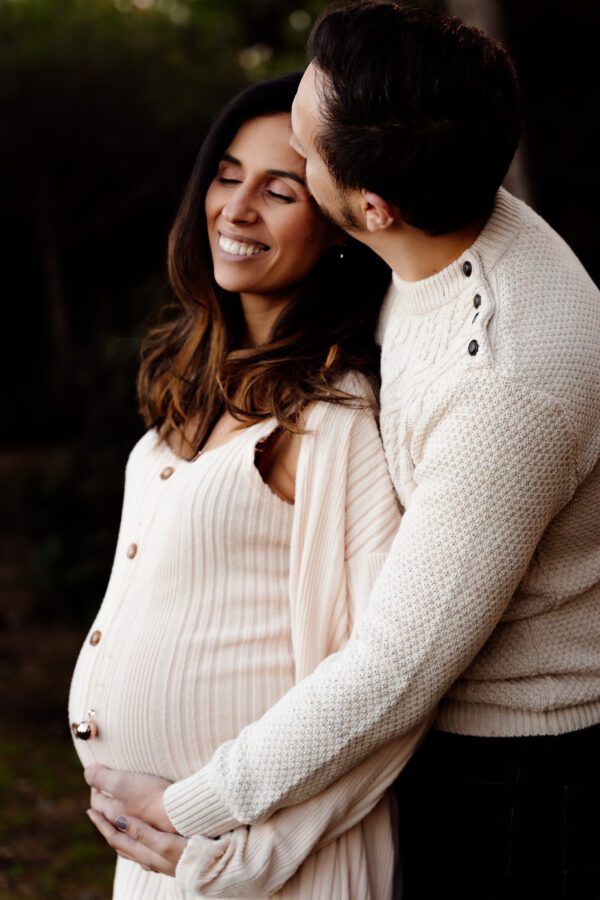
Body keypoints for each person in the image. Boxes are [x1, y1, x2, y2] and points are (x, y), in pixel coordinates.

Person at [83, 4, 600, 898]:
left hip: (515, 773)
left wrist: (204, 810)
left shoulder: (505, 384)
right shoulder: (440, 200)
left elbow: (395, 668)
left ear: (366, 209)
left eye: (300, 163)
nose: (282, 155)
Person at [69, 72, 432, 899]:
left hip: (268, 869)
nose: (235, 209)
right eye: (227, 175)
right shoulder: (186, 397)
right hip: (160, 857)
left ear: (338, 222)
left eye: (280, 190)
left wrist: (235, 855)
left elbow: (382, 697)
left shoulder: (335, 419)